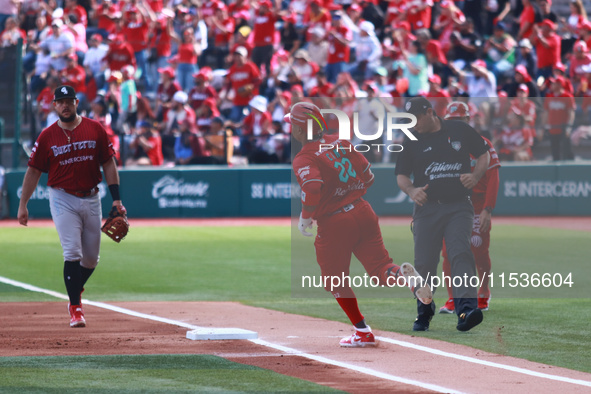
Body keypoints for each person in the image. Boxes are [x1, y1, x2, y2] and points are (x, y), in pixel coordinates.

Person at [288, 101, 433, 347]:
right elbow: (369, 176)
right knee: (381, 268)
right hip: (363, 210)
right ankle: (405, 277)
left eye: (292, 123)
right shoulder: (340, 142)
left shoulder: (304, 157)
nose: (290, 128)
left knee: (334, 281)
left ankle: (362, 331)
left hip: (335, 223)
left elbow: (312, 187)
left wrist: (304, 217)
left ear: (301, 131)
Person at [17, 85, 125, 328]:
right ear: (54, 106)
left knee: (91, 259)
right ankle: (75, 307)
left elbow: (109, 163)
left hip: (92, 196)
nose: (65, 105)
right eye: (60, 101)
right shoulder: (47, 135)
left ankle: (74, 287)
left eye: (69, 100)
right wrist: (23, 204)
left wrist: (117, 198)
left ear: (76, 102)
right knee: (72, 253)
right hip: (62, 197)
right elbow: (33, 170)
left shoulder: (94, 128)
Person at [396, 97, 490, 332]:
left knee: (460, 253)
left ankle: (466, 310)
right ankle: (424, 312)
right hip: (427, 209)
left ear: (430, 113)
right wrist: (411, 190)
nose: (413, 124)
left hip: (459, 205)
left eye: (416, 119)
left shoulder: (459, 129)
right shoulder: (411, 138)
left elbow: (484, 155)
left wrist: (476, 176)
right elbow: (401, 175)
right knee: (424, 264)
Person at [439, 101, 501, 313]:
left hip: (477, 205)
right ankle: (453, 298)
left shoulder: (483, 144)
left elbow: (493, 178)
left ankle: (482, 293)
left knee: (477, 250)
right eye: (452, 120)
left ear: (468, 120)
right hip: (453, 205)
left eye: (460, 120)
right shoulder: (442, 144)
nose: (456, 124)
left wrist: (488, 209)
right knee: (448, 253)